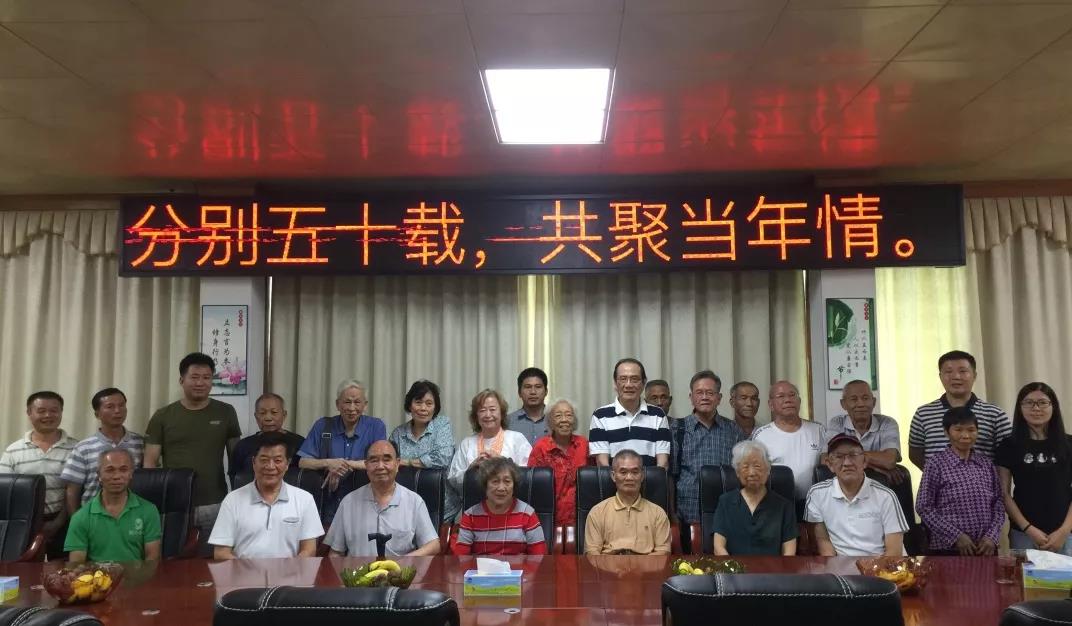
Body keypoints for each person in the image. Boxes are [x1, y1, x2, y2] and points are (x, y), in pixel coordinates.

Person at [144, 352, 242, 553]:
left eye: (206, 377)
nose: (200, 383)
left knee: (212, 561)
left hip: (214, 502)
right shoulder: (163, 415)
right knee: (172, 560)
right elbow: (150, 463)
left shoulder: (226, 412)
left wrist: (238, 498)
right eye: (194, 377)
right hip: (173, 505)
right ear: (182, 380)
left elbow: (236, 459)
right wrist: (153, 504)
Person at [210, 431, 324, 559]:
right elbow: (220, 553)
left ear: (287, 464)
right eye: (264, 460)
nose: (270, 466)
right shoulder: (232, 500)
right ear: (254, 462)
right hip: (244, 571)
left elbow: (309, 550)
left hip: (289, 571)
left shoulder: (305, 499)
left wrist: (290, 569)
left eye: (278, 460)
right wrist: (246, 569)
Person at [325, 440, 440, 557]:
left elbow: (433, 545)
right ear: (366, 465)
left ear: (397, 464)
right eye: (374, 460)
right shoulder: (348, 502)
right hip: (358, 569)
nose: (380, 466)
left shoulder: (414, 501)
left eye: (386, 460)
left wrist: (404, 561)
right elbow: (336, 552)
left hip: (400, 568)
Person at [916, 406, 1005, 556]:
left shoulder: (986, 464)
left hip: (985, 548)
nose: (965, 435)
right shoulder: (936, 464)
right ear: (946, 432)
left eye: (971, 430)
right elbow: (924, 507)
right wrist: (956, 536)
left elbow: (998, 503)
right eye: (958, 430)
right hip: (948, 549)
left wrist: (992, 536)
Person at [0, 391, 79, 558]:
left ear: (61, 412)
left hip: (65, 522)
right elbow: (6, 493)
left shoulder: (77, 448)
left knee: (63, 570)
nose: (48, 415)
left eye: (54, 410)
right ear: (29, 413)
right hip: (23, 524)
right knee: (25, 570)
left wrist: (58, 522)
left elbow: (75, 491)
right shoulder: (13, 451)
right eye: (41, 411)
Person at [996, 382, 1072, 554]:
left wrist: (1064, 531)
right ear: (1020, 408)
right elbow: (1004, 493)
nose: (1036, 408)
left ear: (1053, 407)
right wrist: (1029, 529)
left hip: (1066, 533)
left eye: (1042, 402)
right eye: (1029, 403)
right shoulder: (1008, 446)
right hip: (1023, 533)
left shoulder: (1069, 444)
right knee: (1023, 573)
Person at [297, 379, 386, 522]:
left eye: (357, 402)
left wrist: (342, 465)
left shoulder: (375, 426)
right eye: (347, 402)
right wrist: (329, 463)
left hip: (365, 503)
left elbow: (380, 462)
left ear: (365, 405)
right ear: (337, 404)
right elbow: (303, 462)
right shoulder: (323, 425)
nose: (352, 408)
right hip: (327, 502)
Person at [805, 433, 909, 556]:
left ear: (864, 461)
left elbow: (894, 552)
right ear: (829, 464)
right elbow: (824, 544)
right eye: (839, 456)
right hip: (841, 565)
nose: (847, 463)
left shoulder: (886, 496)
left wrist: (871, 568)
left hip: (882, 563)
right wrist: (834, 567)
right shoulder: (817, 494)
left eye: (853, 455)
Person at [908, 350, 1011, 470]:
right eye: (948, 372)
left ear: (974, 375)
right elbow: (915, 453)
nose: (956, 377)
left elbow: (1007, 456)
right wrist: (938, 473)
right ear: (940, 377)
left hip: (983, 481)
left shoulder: (995, 414)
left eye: (963, 371)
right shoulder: (923, 414)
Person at [671, 370, 744, 525]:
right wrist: (672, 513)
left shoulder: (734, 430)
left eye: (710, 393)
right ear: (691, 397)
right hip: (687, 512)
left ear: (719, 398)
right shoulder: (677, 429)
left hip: (726, 510)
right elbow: (671, 476)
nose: (704, 397)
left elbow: (741, 474)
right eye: (699, 393)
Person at [65, 449, 161, 563]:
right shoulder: (80, 517)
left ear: (131, 474)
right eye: (110, 470)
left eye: (123, 470)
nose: (116, 476)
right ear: (99, 475)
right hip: (97, 575)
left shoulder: (148, 511)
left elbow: (152, 559)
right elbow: (77, 565)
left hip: (138, 574)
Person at [62, 388, 145, 514]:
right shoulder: (83, 447)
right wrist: (76, 519)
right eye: (110, 407)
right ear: (97, 414)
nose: (117, 411)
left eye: (121, 405)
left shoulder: (139, 443)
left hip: (132, 514)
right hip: (92, 515)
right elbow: (72, 490)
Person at [447, 389, 532, 512]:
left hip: (513, 509)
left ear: (502, 413)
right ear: (476, 416)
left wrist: (503, 462)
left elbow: (529, 477)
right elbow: (453, 481)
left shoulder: (516, 439)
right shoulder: (467, 443)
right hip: (475, 509)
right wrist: (471, 469)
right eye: (482, 410)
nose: (488, 415)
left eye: (492, 409)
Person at [712, 440, 797, 556]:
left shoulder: (784, 506)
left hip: (773, 567)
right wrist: (732, 566)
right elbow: (718, 547)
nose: (752, 473)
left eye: (757, 466)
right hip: (734, 566)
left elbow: (789, 552)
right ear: (737, 472)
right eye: (745, 467)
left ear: (768, 470)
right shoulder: (725, 502)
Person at [389, 380, 458, 520]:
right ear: (410, 405)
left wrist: (407, 462)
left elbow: (443, 458)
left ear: (435, 407)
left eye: (429, 403)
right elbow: (390, 462)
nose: (423, 408)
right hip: (406, 507)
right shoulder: (398, 433)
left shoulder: (442, 424)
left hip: (442, 507)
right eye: (418, 402)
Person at [751, 381, 825, 509]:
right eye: (781, 396)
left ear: (799, 401)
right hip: (777, 506)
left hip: (815, 505)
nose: (788, 400)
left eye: (792, 395)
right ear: (771, 405)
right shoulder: (761, 435)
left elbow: (827, 466)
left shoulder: (818, 430)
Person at [452, 456, 546, 555]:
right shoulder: (470, 516)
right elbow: (461, 559)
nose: (501, 488)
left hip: (518, 565)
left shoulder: (527, 514)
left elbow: (539, 557)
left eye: (507, 481)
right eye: (495, 481)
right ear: (485, 485)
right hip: (482, 565)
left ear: (514, 486)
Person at [584, 449, 671, 555]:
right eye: (623, 472)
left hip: (647, 564)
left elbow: (663, 553)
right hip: (608, 564)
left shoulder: (658, 513)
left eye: (635, 472)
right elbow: (592, 554)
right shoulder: (597, 512)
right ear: (613, 476)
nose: (629, 477)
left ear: (642, 476)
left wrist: (641, 565)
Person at [589, 358, 670, 468]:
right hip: (612, 479)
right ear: (615, 383)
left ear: (643, 383)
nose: (628, 385)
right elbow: (602, 464)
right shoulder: (600, 416)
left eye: (634, 379)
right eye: (623, 379)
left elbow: (662, 463)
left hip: (650, 479)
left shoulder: (658, 415)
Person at [825, 380, 904, 484]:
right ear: (843, 404)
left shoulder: (887, 423)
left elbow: (889, 460)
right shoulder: (837, 423)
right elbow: (827, 458)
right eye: (854, 399)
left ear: (874, 402)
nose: (861, 404)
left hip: (878, 487)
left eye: (865, 398)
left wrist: (848, 456)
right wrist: (877, 468)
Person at [528, 399, 590, 526]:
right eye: (558, 416)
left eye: (569, 415)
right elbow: (532, 485)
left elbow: (592, 482)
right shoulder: (541, 447)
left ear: (574, 420)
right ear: (550, 421)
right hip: (548, 516)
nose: (564, 420)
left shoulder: (584, 445)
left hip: (581, 516)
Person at [229, 393, 304, 483]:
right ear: (256, 416)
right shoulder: (243, 446)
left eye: (274, 412)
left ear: (284, 415)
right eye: (262, 413)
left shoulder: (300, 444)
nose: (268, 418)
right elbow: (235, 477)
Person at [507, 367, 550, 445]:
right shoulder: (508, 422)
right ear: (519, 392)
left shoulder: (556, 419)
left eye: (538, 387)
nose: (533, 392)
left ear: (546, 391)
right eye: (528, 387)